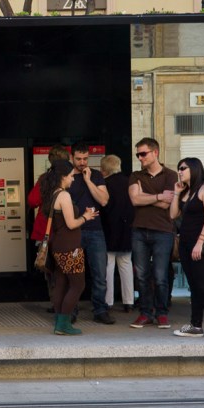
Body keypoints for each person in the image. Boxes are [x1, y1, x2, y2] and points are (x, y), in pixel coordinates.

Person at [169, 157, 204, 340]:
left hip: (201, 243)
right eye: (178, 168)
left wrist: (200, 242)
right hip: (185, 243)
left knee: (203, 284)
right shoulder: (185, 191)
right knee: (194, 286)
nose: (180, 171)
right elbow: (173, 214)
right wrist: (177, 193)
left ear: (194, 169)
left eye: (183, 168)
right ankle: (196, 325)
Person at [128, 138, 178, 330]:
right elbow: (134, 199)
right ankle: (145, 313)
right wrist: (157, 196)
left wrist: (144, 197)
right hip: (139, 230)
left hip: (163, 231)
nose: (140, 158)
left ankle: (162, 313)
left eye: (143, 153)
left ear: (155, 152)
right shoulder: (135, 175)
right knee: (141, 275)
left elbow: (168, 203)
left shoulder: (171, 175)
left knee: (160, 275)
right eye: (138, 154)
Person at [43, 160, 98, 335]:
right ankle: (64, 324)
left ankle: (59, 322)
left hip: (58, 246)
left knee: (61, 283)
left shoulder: (52, 194)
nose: (73, 180)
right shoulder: (64, 196)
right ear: (63, 177)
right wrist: (86, 217)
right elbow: (72, 223)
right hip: (70, 247)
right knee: (77, 285)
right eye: (71, 176)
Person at [68, 143, 113, 324]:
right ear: (72, 158)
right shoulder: (67, 176)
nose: (82, 162)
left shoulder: (95, 175)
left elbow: (104, 200)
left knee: (99, 273)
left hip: (95, 231)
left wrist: (88, 181)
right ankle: (71, 310)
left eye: (85, 158)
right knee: (73, 273)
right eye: (78, 159)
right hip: (74, 229)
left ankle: (100, 310)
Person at [27, 144, 70, 310]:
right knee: (66, 270)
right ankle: (68, 305)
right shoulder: (71, 178)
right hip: (66, 231)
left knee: (50, 270)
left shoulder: (45, 179)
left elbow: (32, 201)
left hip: (45, 230)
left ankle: (56, 303)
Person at [99, 154, 135, 312]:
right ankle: (129, 301)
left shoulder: (105, 184)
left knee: (108, 266)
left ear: (105, 169)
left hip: (108, 231)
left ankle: (108, 301)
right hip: (127, 230)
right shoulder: (129, 183)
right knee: (126, 265)